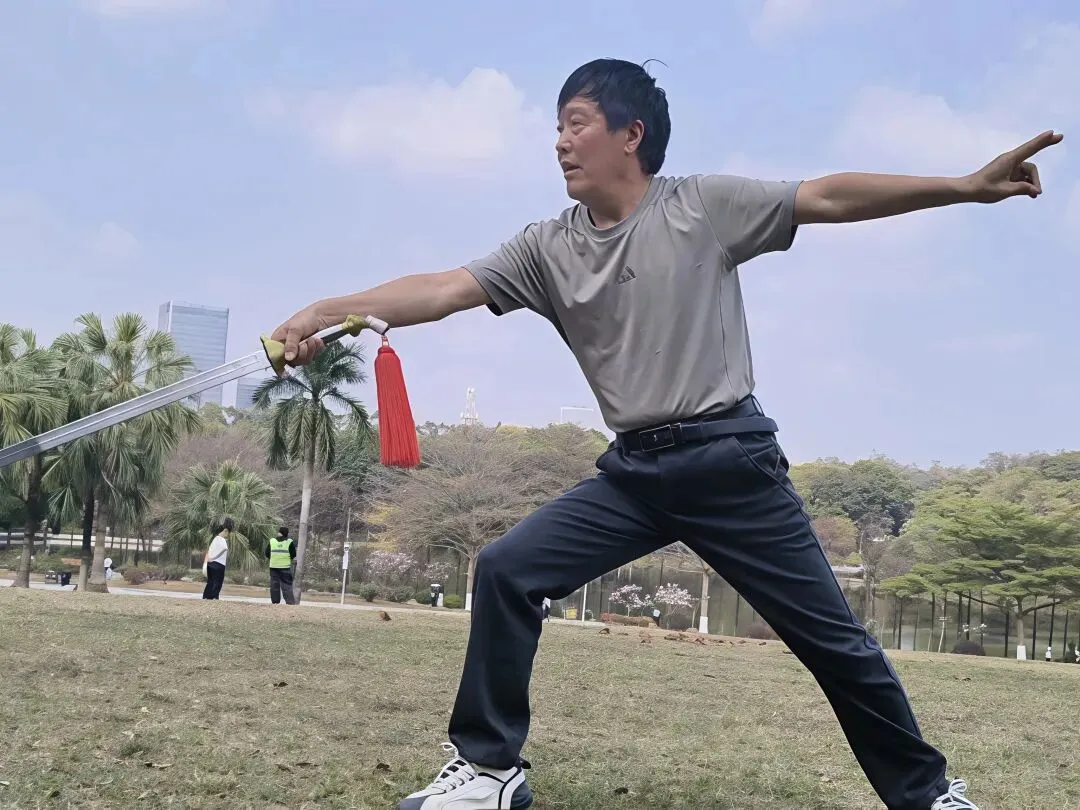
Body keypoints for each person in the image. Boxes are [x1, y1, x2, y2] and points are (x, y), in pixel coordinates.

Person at [272, 58, 1061, 810]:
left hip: (729, 463)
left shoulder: (700, 206)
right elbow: (443, 288)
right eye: (557, 127)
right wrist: (321, 313)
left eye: (576, 123)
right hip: (634, 477)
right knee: (509, 568)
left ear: (631, 134)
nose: (559, 142)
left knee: (835, 644)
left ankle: (926, 794)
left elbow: (825, 195)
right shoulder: (547, 247)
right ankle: (489, 769)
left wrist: (963, 186)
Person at [201, 518, 233, 600]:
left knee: (210, 582)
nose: (228, 535)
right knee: (218, 582)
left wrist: (208, 560)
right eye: (228, 533)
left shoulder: (215, 538)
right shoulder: (222, 540)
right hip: (219, 564)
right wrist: (215, 557)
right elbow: (225, 548)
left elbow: (209, 551)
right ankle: (215, 597)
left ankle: (206, 596)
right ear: (225, 530)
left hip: (210, 564)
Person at [266, 526, 297, 605]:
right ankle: (290, 603)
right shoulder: (289, 542)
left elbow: (267, 553)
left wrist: (274, 558)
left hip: (273, 567)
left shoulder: (272, 541)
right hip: (285, 567)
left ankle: (275, 602)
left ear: (279, 532)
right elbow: (293, 554)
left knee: (274, 585)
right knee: (286, 585)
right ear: (287, 534)